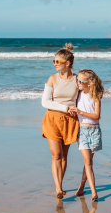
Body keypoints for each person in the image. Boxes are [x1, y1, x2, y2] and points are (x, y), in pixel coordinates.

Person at [41, 44, 79, 199]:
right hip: (53, 119)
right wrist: (65, 108)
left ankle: (60, 185)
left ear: (67, 63)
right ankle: (58, 188)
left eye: (58, 61)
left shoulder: (77, 80)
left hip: (70, 121)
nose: (55, 63)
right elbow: (45, 102)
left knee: (64, 156)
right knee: (56, 154)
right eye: (53, 61)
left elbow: (84, 98)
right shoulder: (52, 78)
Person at [69, 69, 104, 201]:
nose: (78, 83)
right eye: (78, 80)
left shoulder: (96, 96)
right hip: (82, 131)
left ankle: (82, 186)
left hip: (95, 131)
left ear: (89, 83)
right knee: (88, 161)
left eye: (80, 81)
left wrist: (80, 111)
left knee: (88, 162)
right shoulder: (78, 94)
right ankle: (94, 192)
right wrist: (73, 112)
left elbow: (96, 116)